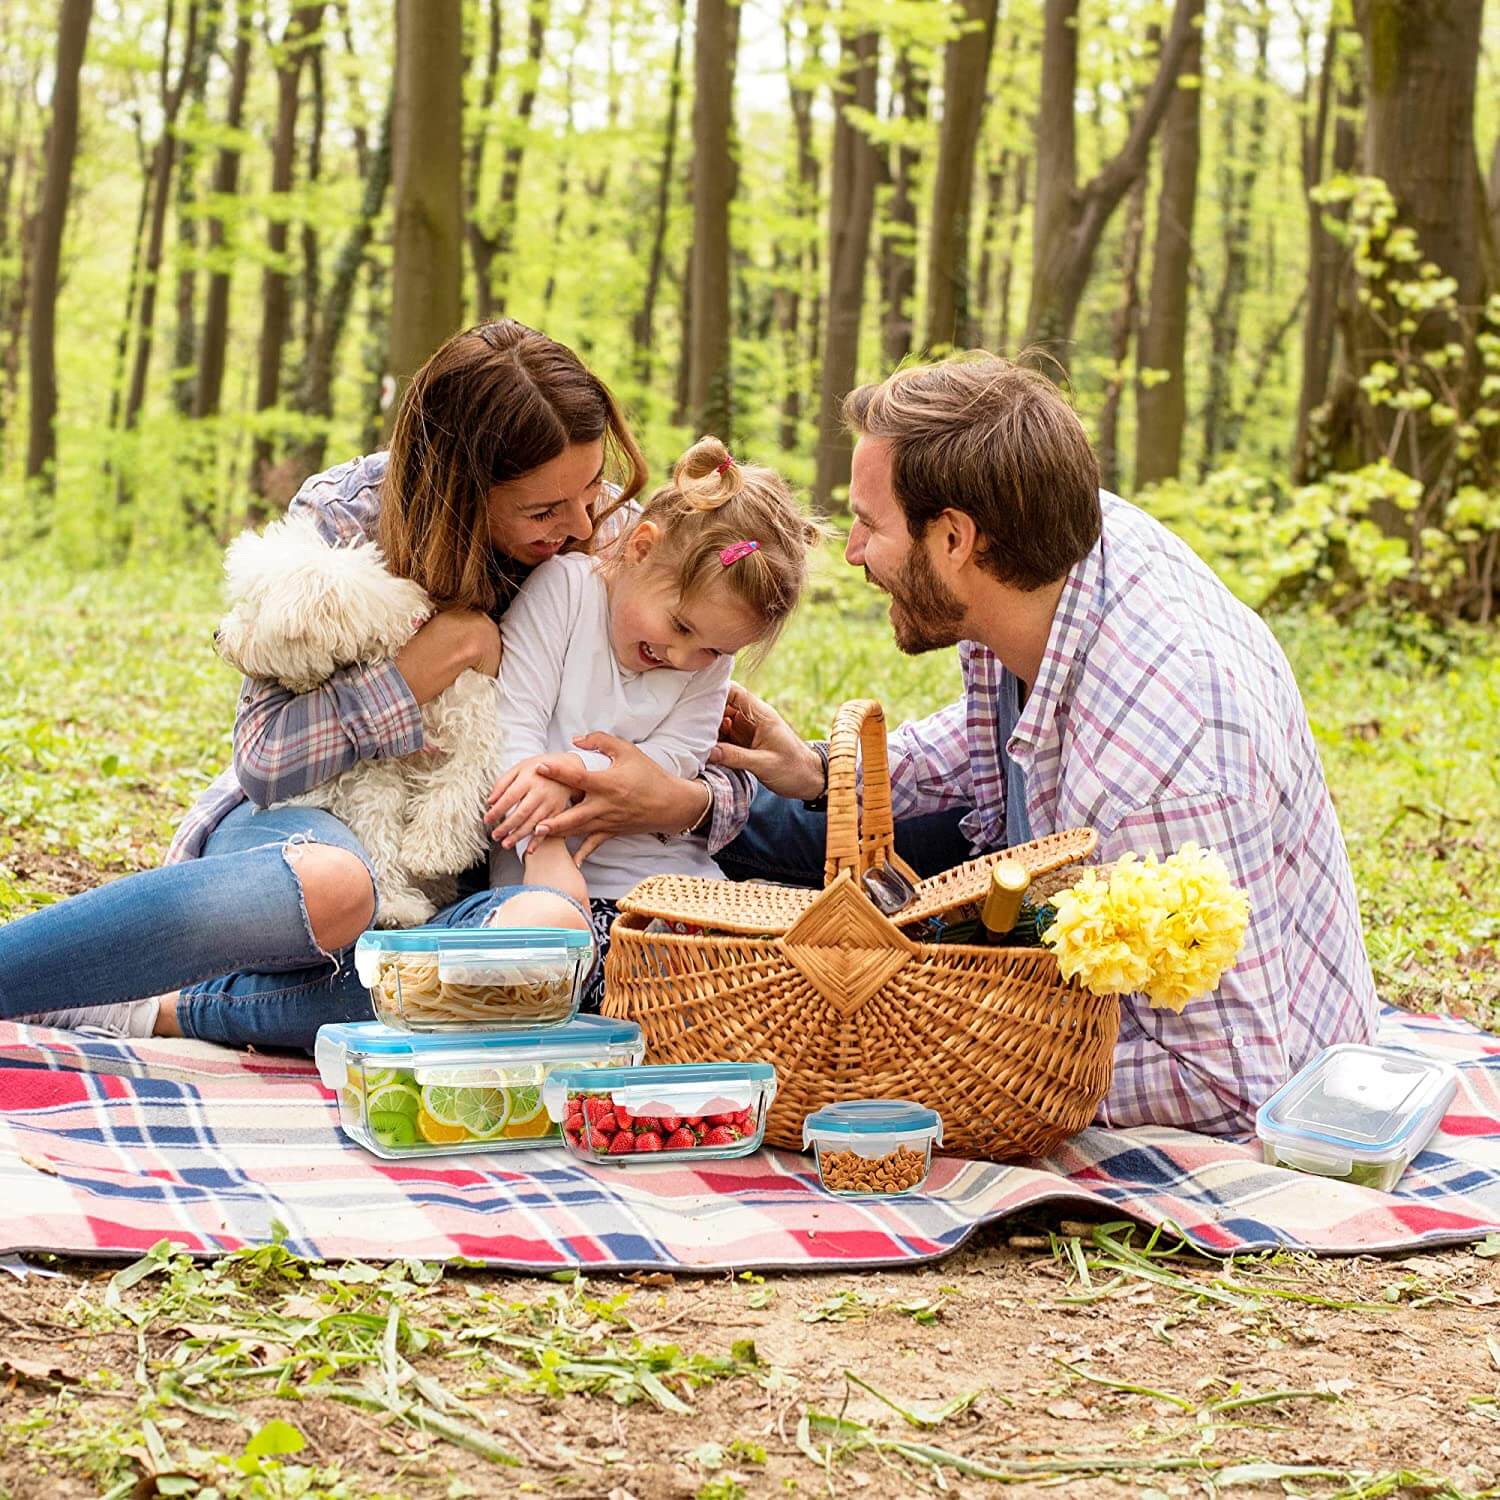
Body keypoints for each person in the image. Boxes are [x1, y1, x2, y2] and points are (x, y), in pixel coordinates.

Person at [556, 354, 1380, 1135]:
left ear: (954, 539)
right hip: (1027, 864)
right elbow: (1000, 742)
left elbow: (1226, 1077)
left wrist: (916, 1075)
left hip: (1211, 1038)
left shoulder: (1161, 758)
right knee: (779, 840)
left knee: (809, 918)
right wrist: (820, 771)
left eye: (869, 525)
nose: (849, 552)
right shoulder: (1047, 559)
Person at [0, 321, 752, 1049]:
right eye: (544, 509)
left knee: (547, 939)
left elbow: (720, 728)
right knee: (340, 886)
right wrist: (434, 660)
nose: (584, 521)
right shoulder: (347, 513)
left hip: (459, 890)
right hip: (309, 834)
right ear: (462, 485)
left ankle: (167, 1011)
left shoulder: (623, 541)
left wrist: (681, 800)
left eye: (591, 487)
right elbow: (264, 760)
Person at [482, 436, 819, 1000]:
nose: (686, 660)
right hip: (562, 880)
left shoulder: (705, 662)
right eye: (682, 627)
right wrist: (542, 850)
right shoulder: (566, 594)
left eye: (714, 651)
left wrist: (569, 767)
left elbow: (678, 760)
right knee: (578, 964)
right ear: (641, 548)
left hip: (679, 889)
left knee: (781, 971)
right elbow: (508, 728)